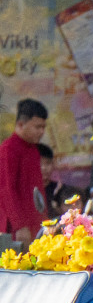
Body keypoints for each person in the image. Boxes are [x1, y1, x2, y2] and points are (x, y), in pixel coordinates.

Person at [1, 99, 50, 242]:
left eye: (43, 127)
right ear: (20, 125)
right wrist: (19, 225)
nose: (42, 132)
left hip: (35, 225)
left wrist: (44, 221)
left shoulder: (34, 150)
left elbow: (37, 191)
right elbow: (6, 190)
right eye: (37, 127)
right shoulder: (8, 149)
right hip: (16, 229)